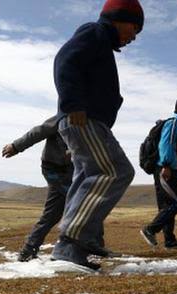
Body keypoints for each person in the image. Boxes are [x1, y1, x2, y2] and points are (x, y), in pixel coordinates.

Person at [50, 0, 144, 270]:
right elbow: (64, 61)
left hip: (86, 121)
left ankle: (83, 240)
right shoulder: (94, 33)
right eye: (133, 29)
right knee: (115, 171)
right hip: (84, 118)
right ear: (119, 18)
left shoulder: (101, 43)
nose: (133, 37)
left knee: (85, 177)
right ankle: (71, 243)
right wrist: (73, 105)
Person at [2, 114, 72, 261]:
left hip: (69, 170)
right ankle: (73, 249)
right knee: (78, 203)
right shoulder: (65, 115)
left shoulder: (93, 119)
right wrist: (16, 146)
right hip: (54, 168)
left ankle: (28, 250)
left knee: (54, 212)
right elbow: (39, 131)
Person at [140, 97, 177, 249]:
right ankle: (150, 230)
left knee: (166, 206)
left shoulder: (176, 123)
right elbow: (166, 144)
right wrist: (166, 165)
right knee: (175, 204)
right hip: (164, 169)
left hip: (168, 170)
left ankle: (170, 240)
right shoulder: (174, 122)